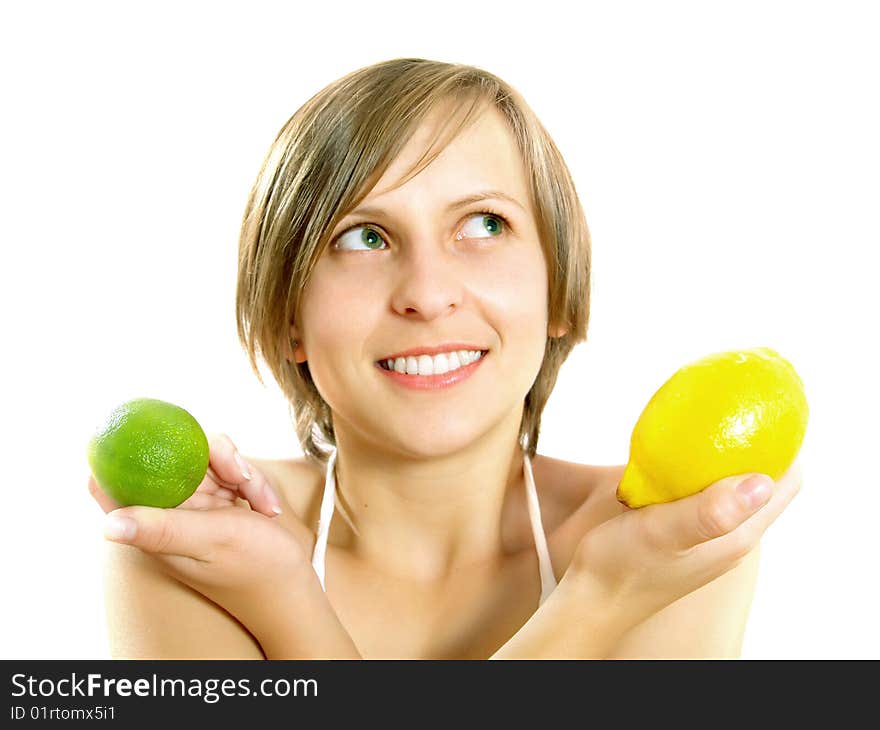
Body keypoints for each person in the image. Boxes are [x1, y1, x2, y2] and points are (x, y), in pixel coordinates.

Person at [88, 57, 802, 659]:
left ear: (557, 288)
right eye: (363, 237)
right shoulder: (198, 546)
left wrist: (611, 583)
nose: (427, 295)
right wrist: (279, 592)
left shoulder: (670, 540)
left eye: (484, 224)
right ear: (288, 319)